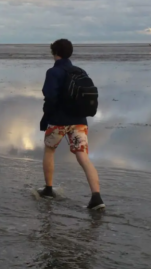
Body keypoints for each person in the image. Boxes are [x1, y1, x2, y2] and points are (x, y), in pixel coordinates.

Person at [39, 39, 105, 210]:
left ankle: (48, 189)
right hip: (80, 121)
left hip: (58, 121)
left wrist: (46, 118)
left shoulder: (54, 72)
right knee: (83, 157)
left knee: (49, 150)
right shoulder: (80, 71)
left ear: (54, 52)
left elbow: (50, 97)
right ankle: (96, 197)